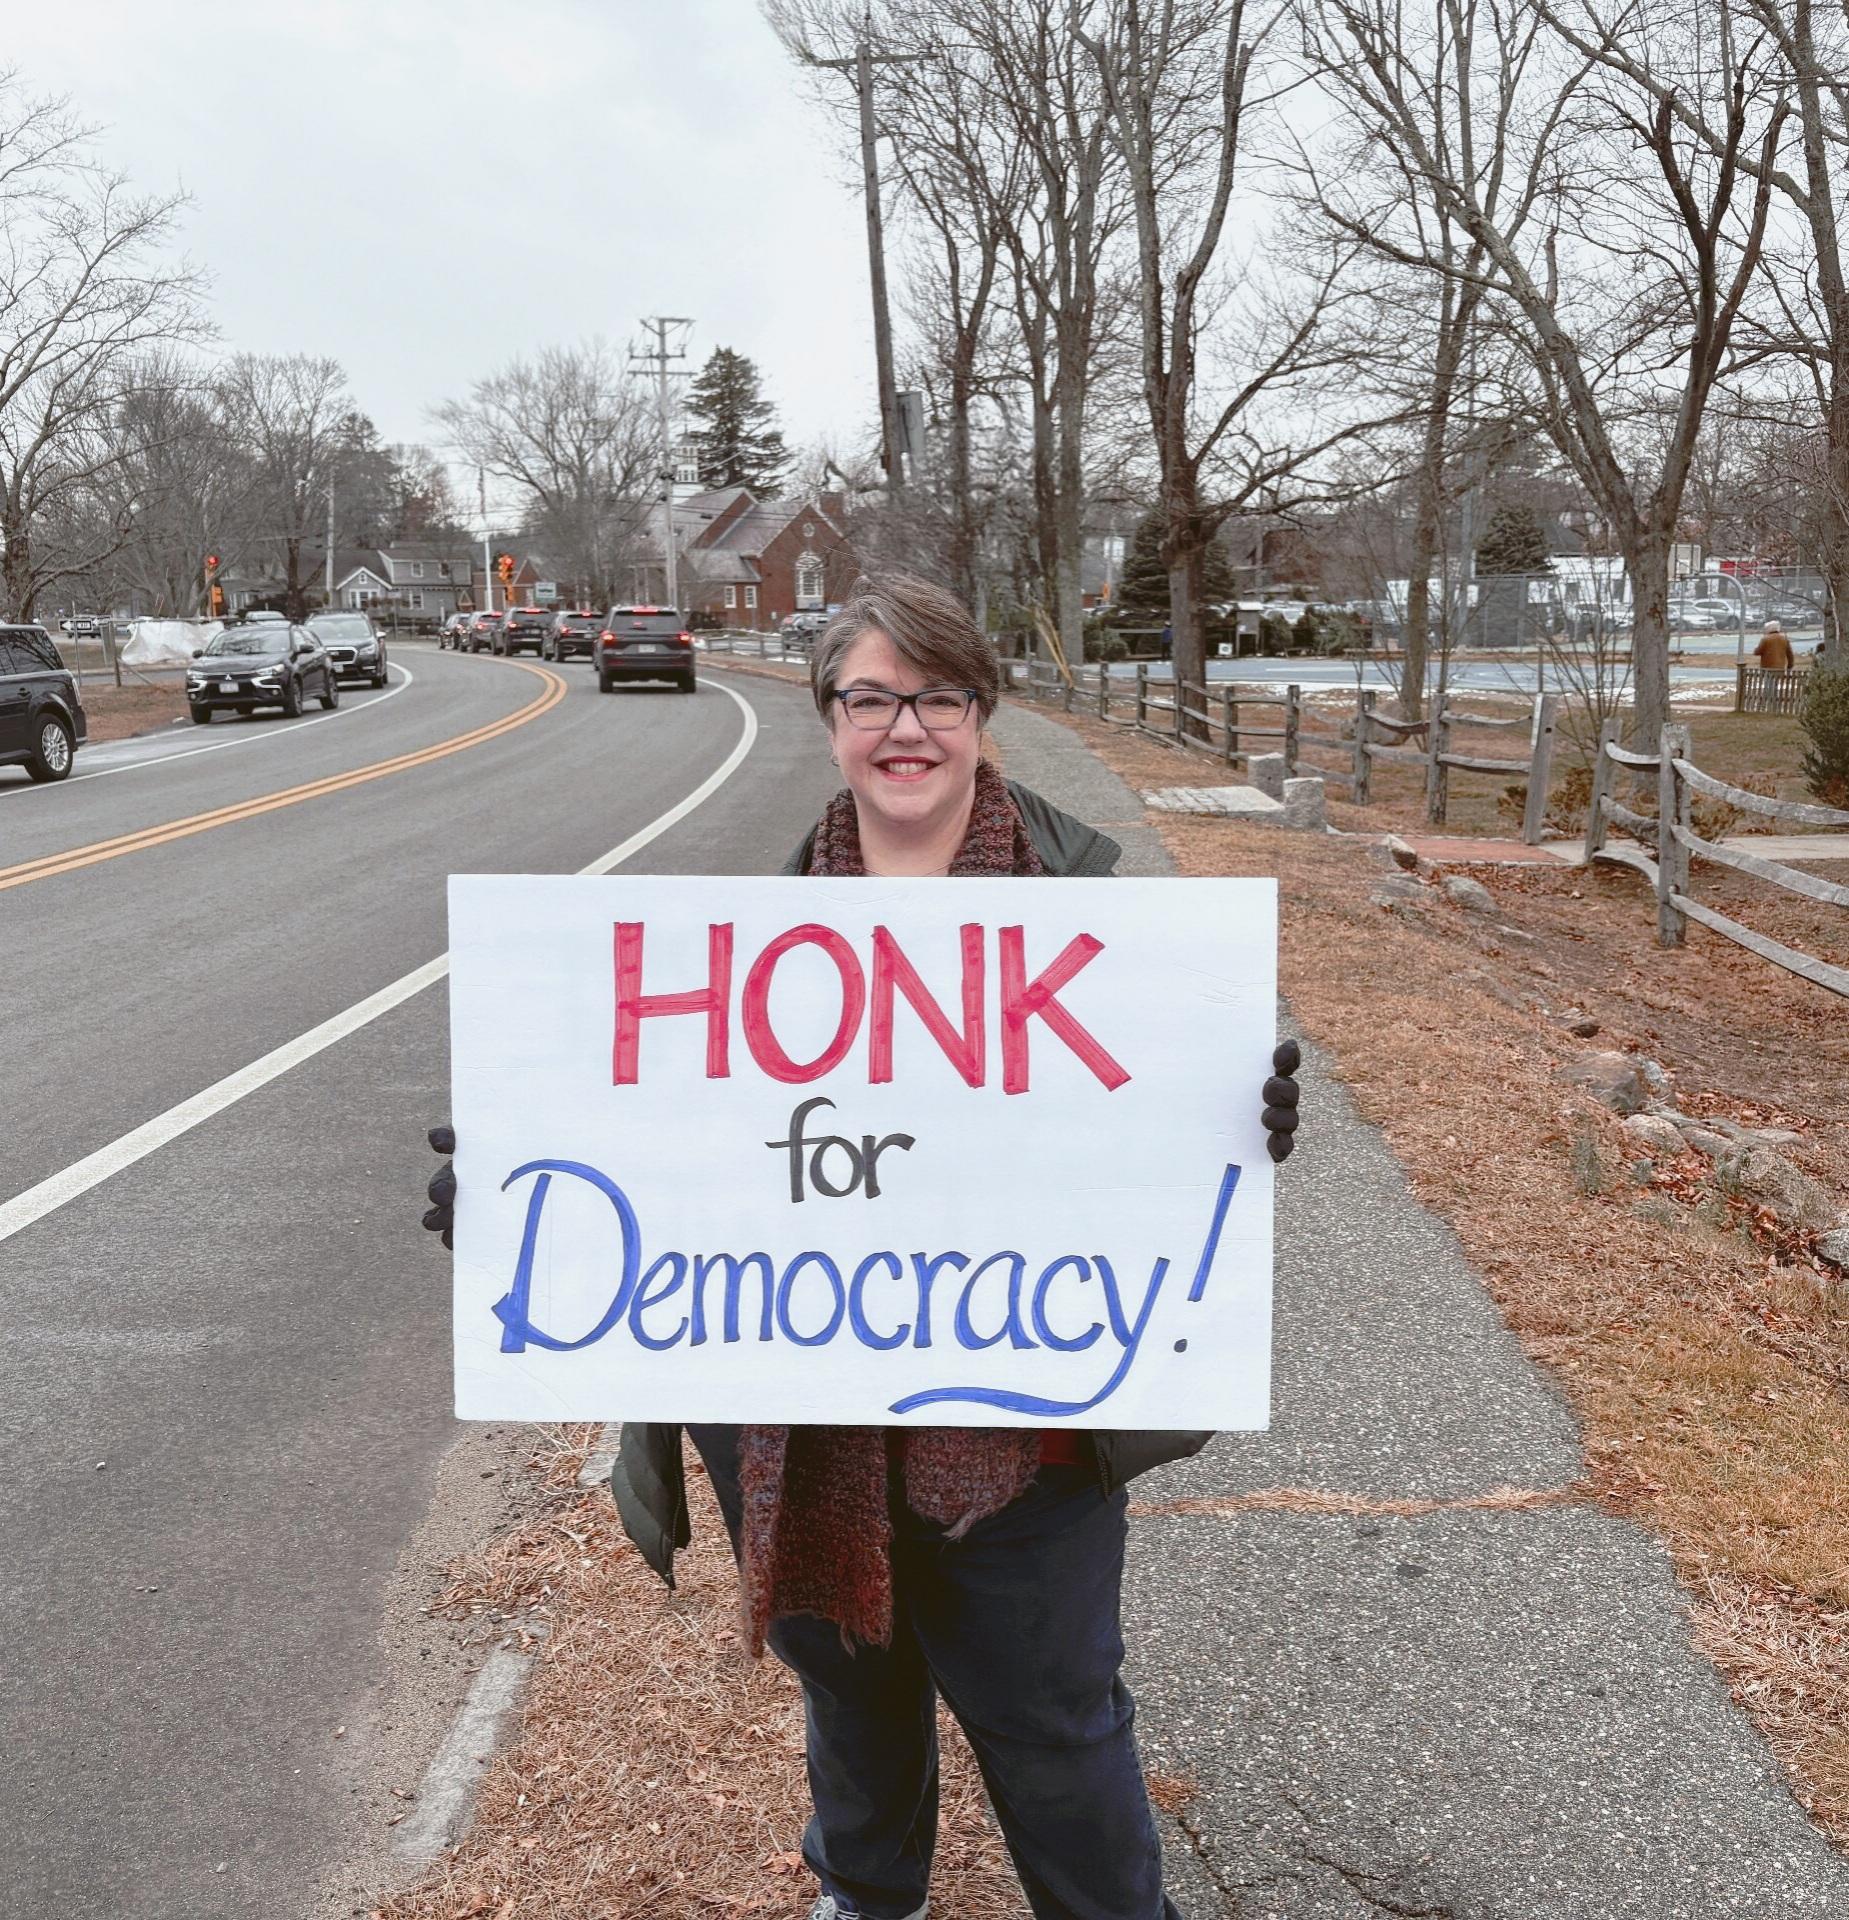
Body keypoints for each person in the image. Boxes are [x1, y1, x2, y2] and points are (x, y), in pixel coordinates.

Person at [423, 572, 1302, 1920]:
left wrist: (1232, 1119)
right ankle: (864, 1889)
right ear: (830, 717)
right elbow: (651, 1168)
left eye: (936, 695)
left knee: (1054, 1718)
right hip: (802, 1418)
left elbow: (1150, 1156)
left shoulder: (1108, 932)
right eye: (871, 697)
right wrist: (503, 1193)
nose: (906, 727)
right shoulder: (733, 957)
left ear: (981, 710)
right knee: (850, 1681)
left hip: (1030, 1431)